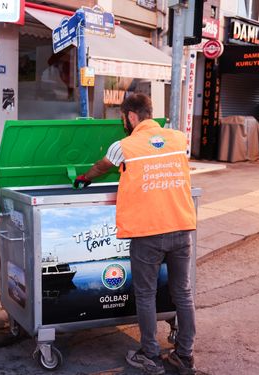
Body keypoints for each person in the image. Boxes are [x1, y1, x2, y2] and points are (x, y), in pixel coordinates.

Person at [74, 93, 197, 375]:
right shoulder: (179, 139)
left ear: (131, 116)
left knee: (145, 294)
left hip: (149, 233)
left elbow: (102, 166)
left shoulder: (124, 146)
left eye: (123, 118)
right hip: (181, 227)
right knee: (183, 293)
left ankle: (151, 356)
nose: (123, 123)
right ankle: (185, 355)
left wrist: (84, 178)